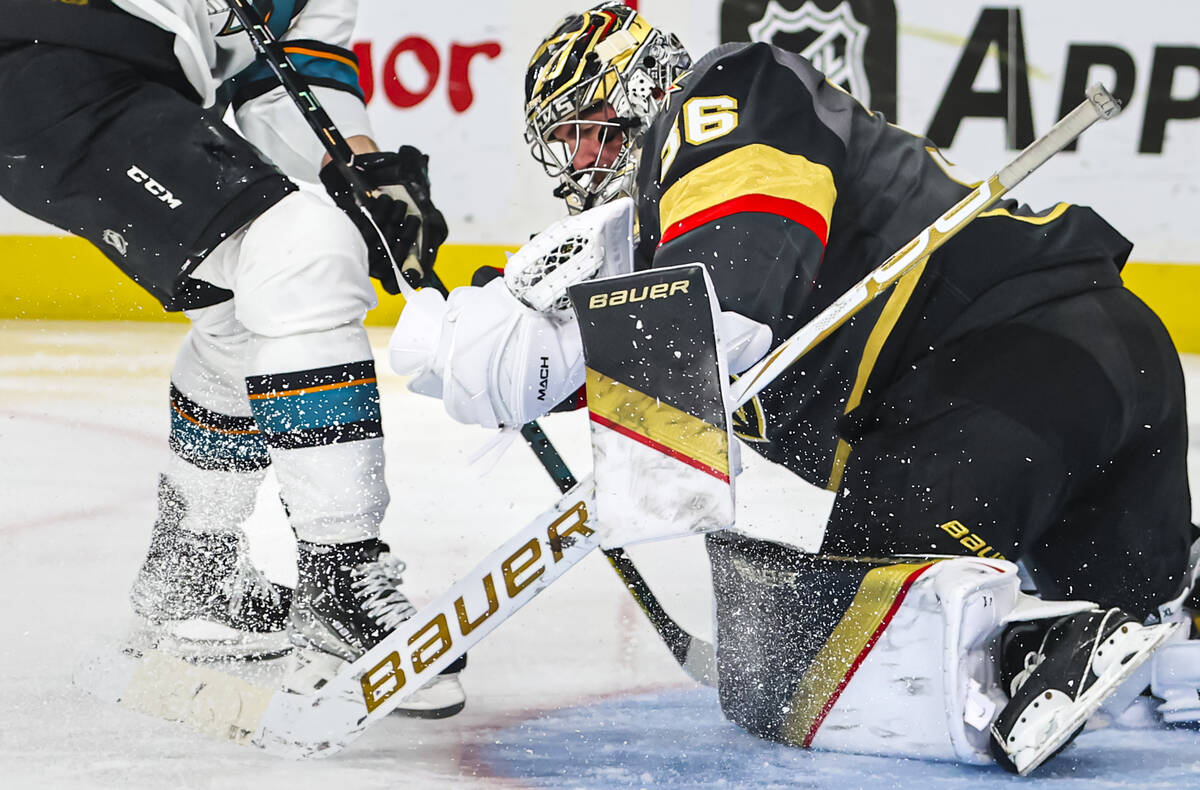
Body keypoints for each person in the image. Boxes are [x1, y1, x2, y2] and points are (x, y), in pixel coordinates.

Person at [389, 0, 1198, 769]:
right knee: (1158, 666)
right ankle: (1158, 616)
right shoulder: (651, 239)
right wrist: (494, 346)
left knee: (839, 668)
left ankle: (1020, 651)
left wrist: (555, 346)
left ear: (642, 91)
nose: (586, 160)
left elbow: (727, 304)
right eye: (567, 144)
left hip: (999, 386)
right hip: (1107, 373)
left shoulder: (725, 89)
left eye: (593, 131)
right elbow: (624, 348)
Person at [0, 0, 463, 716]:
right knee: (305, 251)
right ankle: (340, 579)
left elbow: (288, 86)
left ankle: (194, 572)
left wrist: (359, 168)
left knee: (245, 315)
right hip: (49, 51)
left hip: (125, 90)